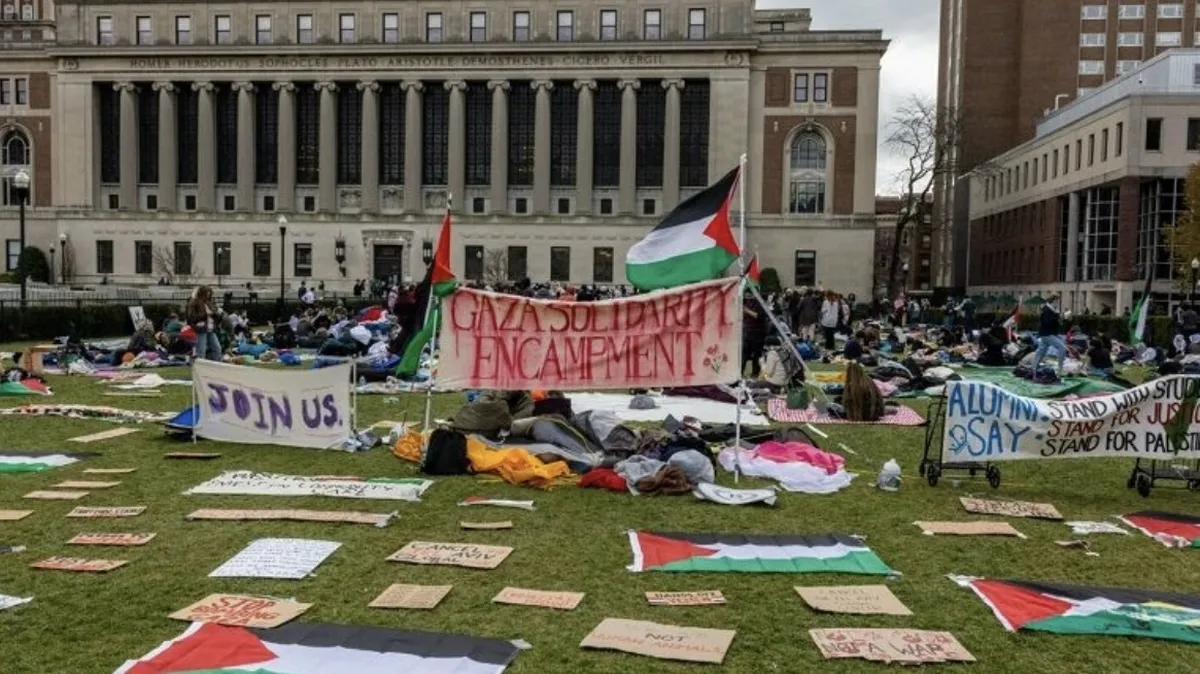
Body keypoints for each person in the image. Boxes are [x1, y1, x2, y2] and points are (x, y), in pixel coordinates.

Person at [1031, 293, 1067, 372]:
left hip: (1046, 333)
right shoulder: (1047, 310)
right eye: (1057, 300)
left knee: (1041, 351)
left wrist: (1059, 319)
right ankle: (1060, 369)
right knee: (1062, 348)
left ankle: (1034, 367)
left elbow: (1052, 322)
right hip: (1047, 334)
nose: (1058, 302)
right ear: (1053, 300)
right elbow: (1048, 322)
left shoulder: (1051, 310)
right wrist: (1058, 317)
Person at [186, 285, 223, 361]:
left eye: (210, 293)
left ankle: (218, 364)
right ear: (202, 293)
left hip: (211, 328)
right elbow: (191, 317)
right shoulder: (194, 302)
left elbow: (215, 314)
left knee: (217, 348)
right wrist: (206, 315)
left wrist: (216, 314)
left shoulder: (210, 302)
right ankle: (200, 366)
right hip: (201, 329)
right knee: (201, 351)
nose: (209, 295)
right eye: (207, 293)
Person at [741, 291, 767, 378]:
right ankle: (740, 372)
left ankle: (755, 373)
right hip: (747, 331)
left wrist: (747, 310)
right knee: (744, 353)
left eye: (749, 295)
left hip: (757, 333)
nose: (747, 297)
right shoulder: (745, 303)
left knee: (756, 354)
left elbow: (759, 316)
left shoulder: (760, 304)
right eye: (746, 296)